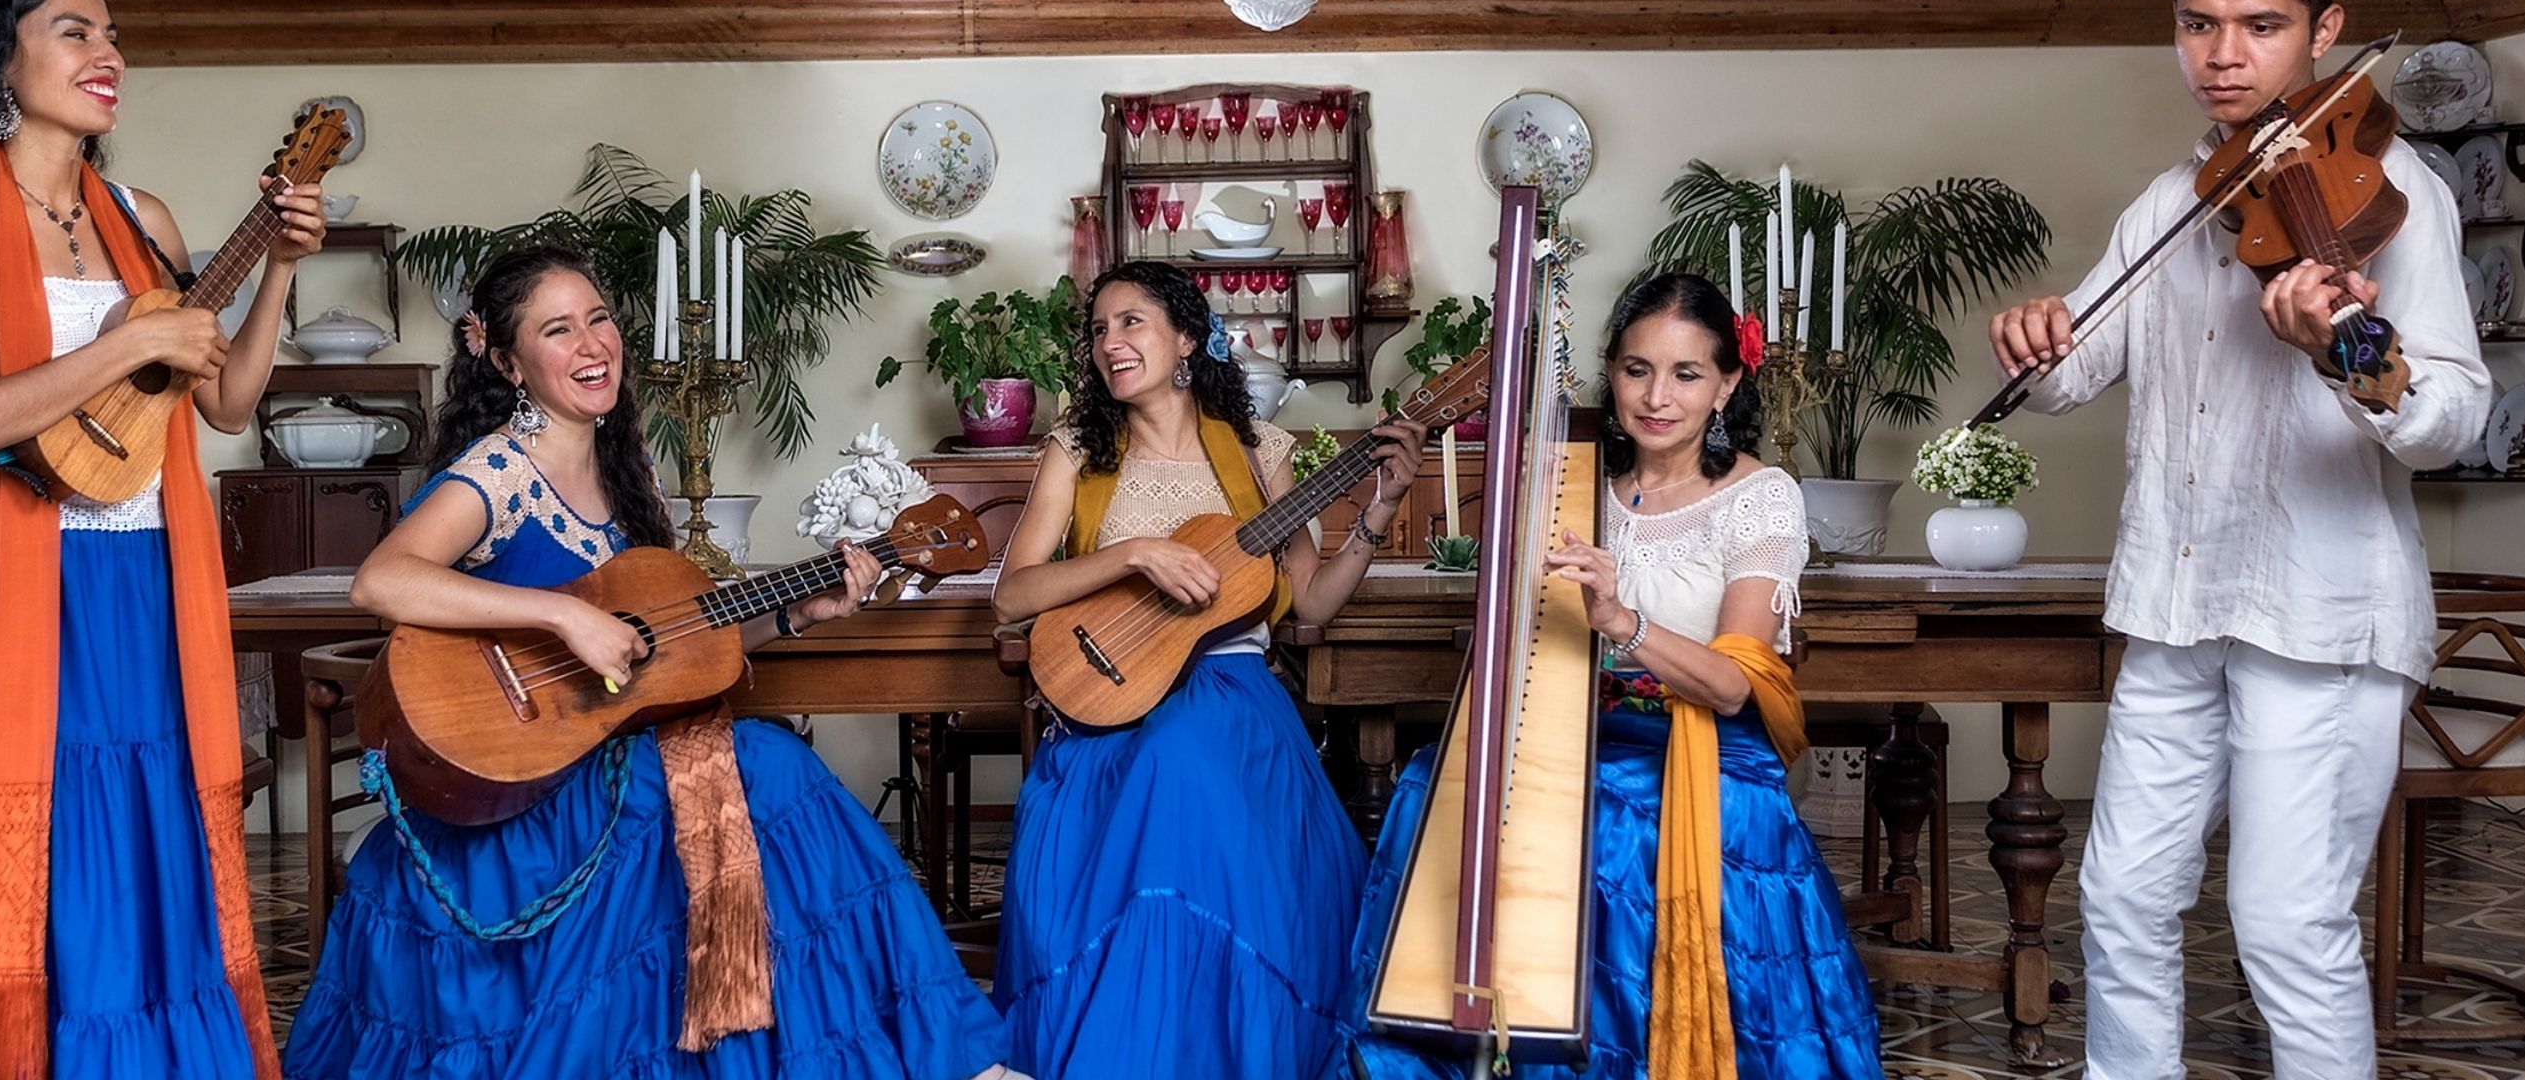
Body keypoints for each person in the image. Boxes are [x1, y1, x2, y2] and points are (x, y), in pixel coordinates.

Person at [284, 246, 1011, 1080]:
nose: (593, 344)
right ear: (506, 359)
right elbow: (383, 580)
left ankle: (912, 1043)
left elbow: (671, 654)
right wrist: (560, 615)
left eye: (600, 319)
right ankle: (949, 1054)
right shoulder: (498, 470)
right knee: (771, 765)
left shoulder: (629, 480)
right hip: (530, 786)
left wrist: (799, 610)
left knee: (769, 766)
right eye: (559, 329)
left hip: (605, 757)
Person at [1983, 0, 2490, 1079]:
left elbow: (2455, 417)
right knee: (2117, 901)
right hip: (2171, 606)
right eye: (2199, 24)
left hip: (2318, 619)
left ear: (2326, 30)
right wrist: (2039, 341)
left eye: (2259, 25)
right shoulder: (2176, 201)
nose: (2222, 55)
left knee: (2287, 927)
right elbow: (2082, 369)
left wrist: (2343, 350)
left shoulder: (2393, 197)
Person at [0, 0, 324, 1077]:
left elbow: (230, 404)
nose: (110, 57)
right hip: (2, 573)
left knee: (138, 815)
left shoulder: (145, 218)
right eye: (77, 33)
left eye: (112, 36)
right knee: (12, 814)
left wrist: (278, 272)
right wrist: (129, 342)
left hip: (138, 569)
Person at [1339, 274, 1882, 1080]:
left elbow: (1735, 687)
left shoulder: (1760, 499)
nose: (1657, 396)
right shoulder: (1576, 485)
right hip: (1586, 732)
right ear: (1611, 373)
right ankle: (1465, 1040)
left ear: (1728, 383)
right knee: (1430, 785)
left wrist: (1622, 622)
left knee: (1608, 823)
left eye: (1686, 374)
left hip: (1702, 746)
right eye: (1636, 370)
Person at [986, 261, 1422, 1079]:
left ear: (1186, 338)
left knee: (1187, 752)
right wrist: (1133, 554)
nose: (1110, 342)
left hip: (1231, 692)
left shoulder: (1258, 453)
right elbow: (1012, 597)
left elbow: (1313, 606)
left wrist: (1382, 509)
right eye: (1099, 329)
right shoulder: (1079, 449)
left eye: (1132, 323)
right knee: (1165, 755)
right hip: (1109, 701)